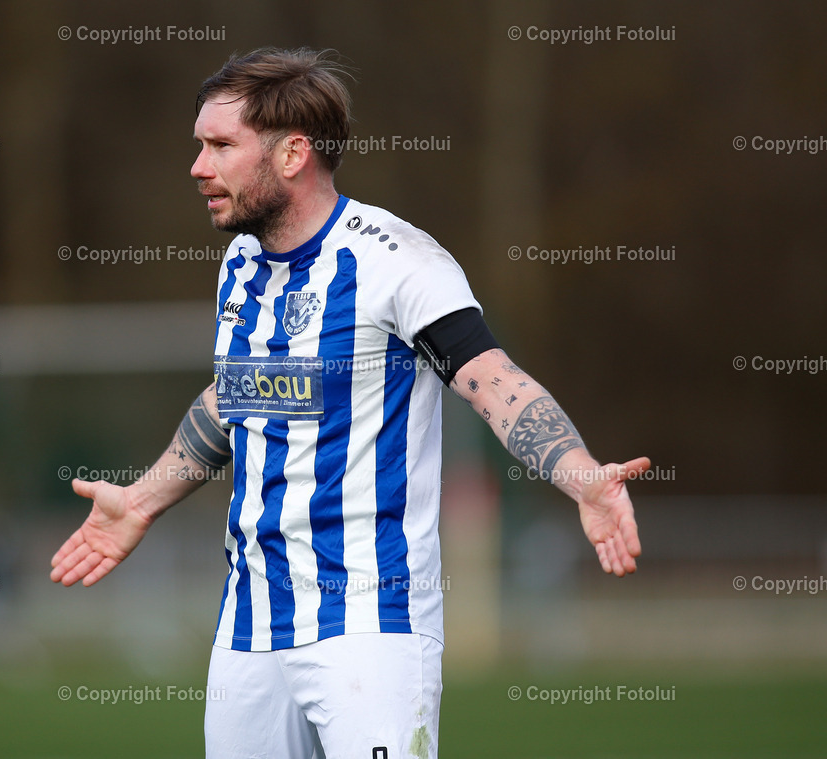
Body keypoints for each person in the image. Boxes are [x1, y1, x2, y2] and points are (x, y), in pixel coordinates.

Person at [51, 46, 649, 759]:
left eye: (219, 146)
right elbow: (237, 396)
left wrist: (577, 471)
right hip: (249, 623)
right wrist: (143, 501)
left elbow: (492, 378)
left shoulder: (397, 259)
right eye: (198, 146)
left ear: (293, 153)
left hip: (369, 623)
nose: (198, 167)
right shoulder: (239, 263)